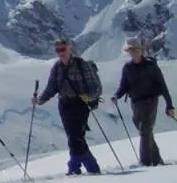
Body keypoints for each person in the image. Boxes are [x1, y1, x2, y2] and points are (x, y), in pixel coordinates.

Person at [33, 38, 102, 175]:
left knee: (75, 137)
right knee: (74, 137)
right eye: (58, 50)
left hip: (80, 104)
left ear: (70, 48)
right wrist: (40, 100)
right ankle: (80, 168)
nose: (60, 52)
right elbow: (51, 88)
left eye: (63, 49)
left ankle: (84, 168)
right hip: (64, 105)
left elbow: (96, 87)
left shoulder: (81, 64)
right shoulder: (57, 68)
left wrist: (89, 97)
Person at [110, 36, 176, 167]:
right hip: (135, 102)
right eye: (131, 50)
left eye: (136, 49)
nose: (133, 52)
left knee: (145, 130)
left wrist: (169, 105)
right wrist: (116, 96)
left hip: (151, 101)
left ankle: (145, 162)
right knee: (145, 132)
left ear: (141, 50)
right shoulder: (127, 67)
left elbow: (162, 85)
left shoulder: (151, 65)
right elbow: (124, 86)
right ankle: (156, 160)